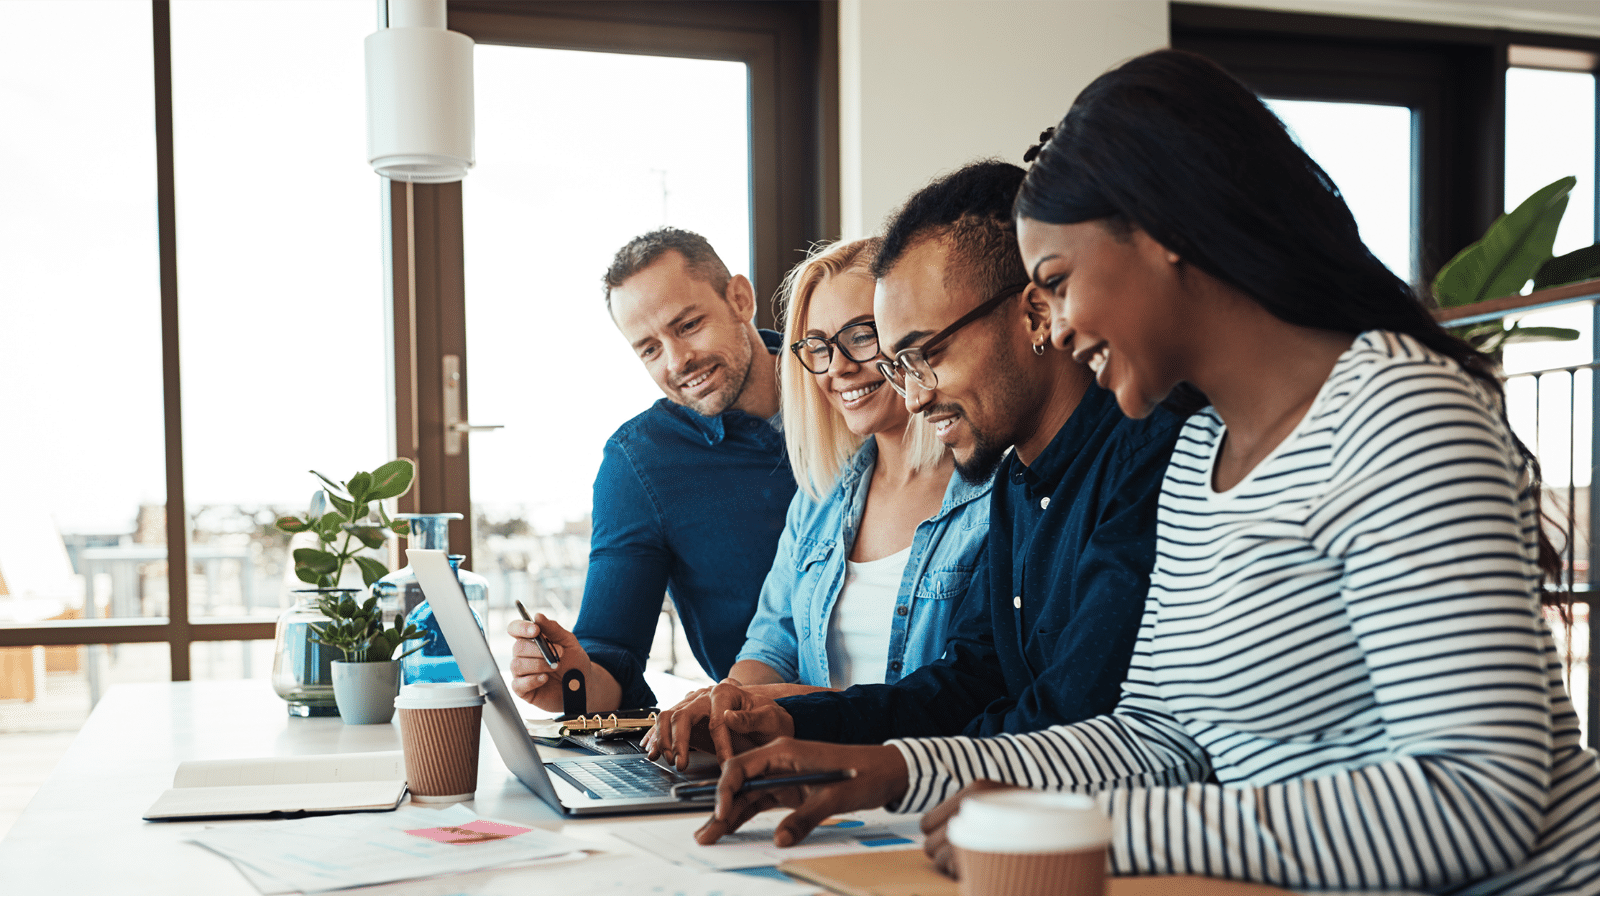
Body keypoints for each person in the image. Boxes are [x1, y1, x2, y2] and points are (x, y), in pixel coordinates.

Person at [694, 50, 1600, 895]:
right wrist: (895, 769)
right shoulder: (1203, 455)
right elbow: (1159, 737)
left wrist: (1089, 822)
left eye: (1054, 279)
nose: (1052, 323)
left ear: (1163, 235)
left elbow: (1481, 799)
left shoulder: (1400, 414)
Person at [649, 161, 1186, 765]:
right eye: (900, 364)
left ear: (1035, 315)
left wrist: (894, 771)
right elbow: (964, 685)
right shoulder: (1015, 482)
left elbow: (1071, 726)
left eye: (924, 354)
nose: (914, 394)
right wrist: (785, 720)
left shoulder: (1148, 461)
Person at [645, 237, 993, 766]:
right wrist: (725, 703)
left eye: (861, 336)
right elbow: (772, 646)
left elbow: (963, 695)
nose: (838, 368)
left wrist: (787, 707)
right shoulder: (823, 497)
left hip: (924, 787)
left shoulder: (993, 491)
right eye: (817, 347)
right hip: (811, 782)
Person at [507, 228, 796, 713]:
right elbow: (609, 659)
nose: (678, 361)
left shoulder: (849, 387)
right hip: (763, 733)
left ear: (740, 299)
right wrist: (567, 680)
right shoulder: (640, 462)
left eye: (687, 326)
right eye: (649, 349)